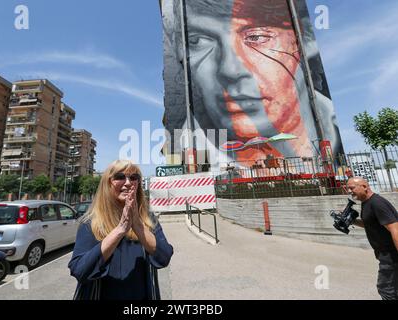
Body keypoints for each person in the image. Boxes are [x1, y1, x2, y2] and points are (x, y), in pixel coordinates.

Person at [164, 0, 342, 167]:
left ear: (304, 40)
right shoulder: (182, 148)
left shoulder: (334, 137)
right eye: (199, 40)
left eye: (257, 37)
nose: (230, 70)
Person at [68, 160, 173, 300]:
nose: (128, 182)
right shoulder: (90, 223)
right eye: (120, 177)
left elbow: (164, 256)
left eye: (133, 177)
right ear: (107, 183)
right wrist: (120, 229)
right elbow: (80, 270)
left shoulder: (149, 219)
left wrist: (137, 225)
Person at [347, 177, 398, 300]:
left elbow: (395, 228)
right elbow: (371, 223)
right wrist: (352, 221)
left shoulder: (377, 203)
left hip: (391, 255)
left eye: (352, 188)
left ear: (364, 186)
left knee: (386, 289)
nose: (349, 191)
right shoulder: (367, 203)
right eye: (348, 188)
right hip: (385, 254)